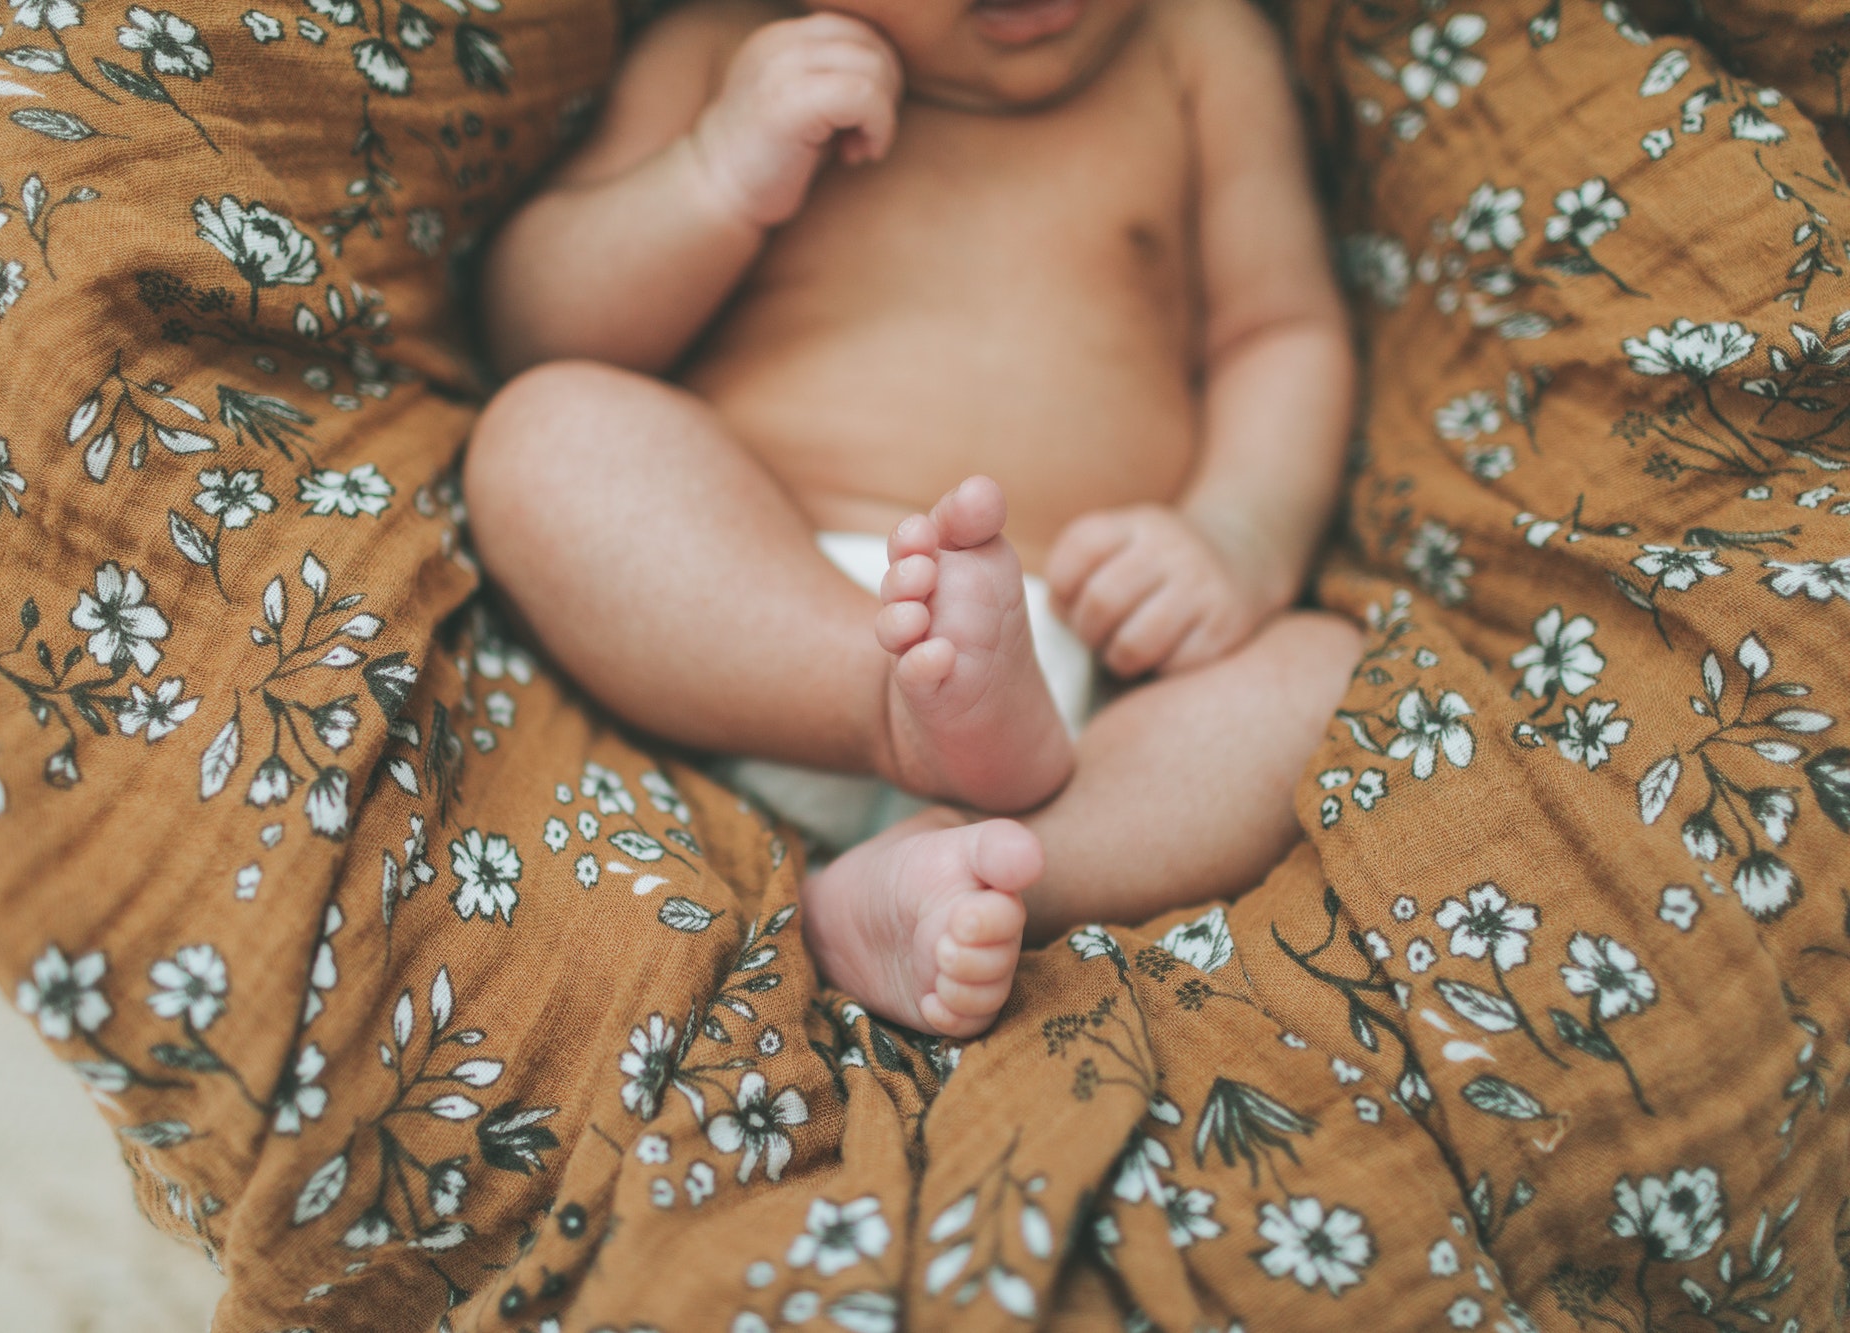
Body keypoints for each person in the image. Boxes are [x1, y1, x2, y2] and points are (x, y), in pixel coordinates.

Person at [464, 0, 1363, 1038]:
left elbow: (1277, 329)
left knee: (1322, 672)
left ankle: (965, 874)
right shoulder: (722, 50)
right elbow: (539, 326)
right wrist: (714, 172)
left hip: (1099, 702)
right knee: (545, 431)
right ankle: (890, 714)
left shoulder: (1195, 48)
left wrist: (1235, 534)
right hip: (753, 632)